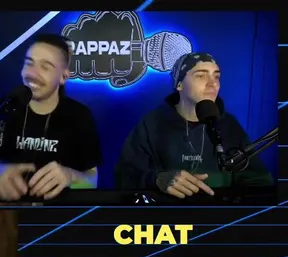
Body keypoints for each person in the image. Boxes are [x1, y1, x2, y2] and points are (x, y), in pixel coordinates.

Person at [114, 52, 273, 198]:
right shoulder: (152, 124)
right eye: (201, 76)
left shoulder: (229, 125)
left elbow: (258, 180)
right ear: (179, 84)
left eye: (216, 76)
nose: (213, 84)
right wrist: (157, 179)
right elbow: (124, 176)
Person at [0, 33, 101, 201]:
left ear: (63, 76)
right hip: (9, 212)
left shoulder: (80, 116)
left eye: (45, 67)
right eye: (29, 63)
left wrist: (70, 176)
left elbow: (92, 181)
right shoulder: (4, 108)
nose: (32, 73)